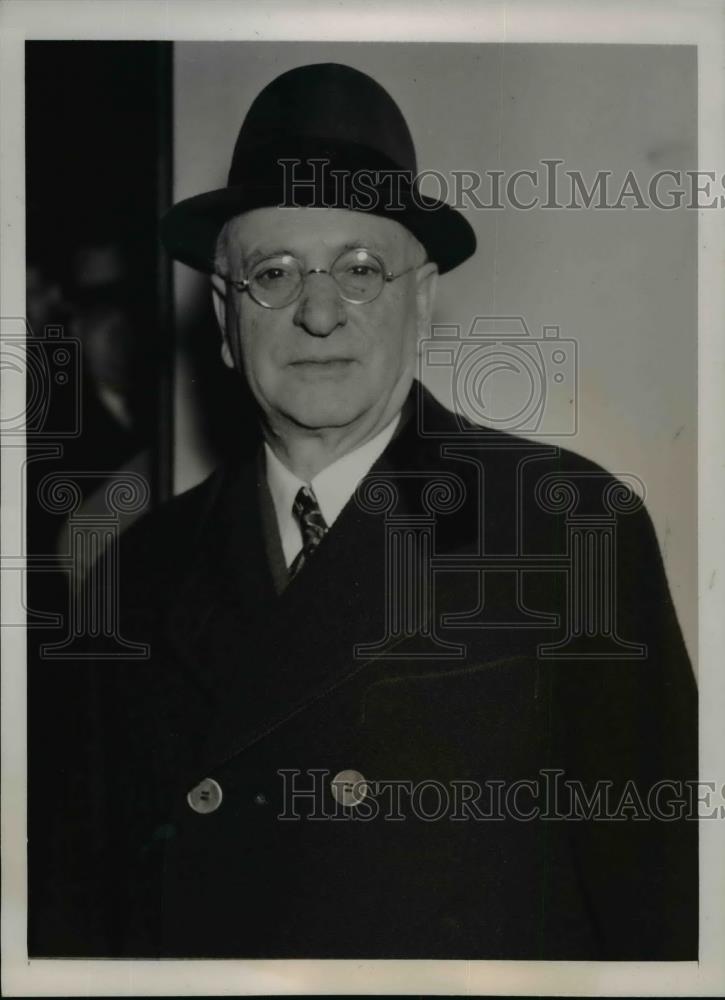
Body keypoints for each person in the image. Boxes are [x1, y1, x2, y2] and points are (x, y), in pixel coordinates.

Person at [30, 62, 697, 960]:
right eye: (272, 273)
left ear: (418, 300)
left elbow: (669, 914)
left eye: (358, 269)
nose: (316, 312)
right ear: (226, 320)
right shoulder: (136, 572)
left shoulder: (570, 528)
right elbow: (76, 922)